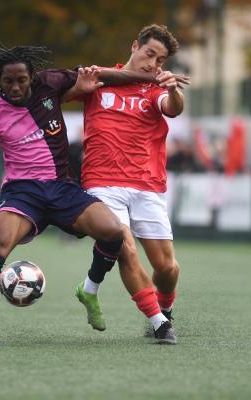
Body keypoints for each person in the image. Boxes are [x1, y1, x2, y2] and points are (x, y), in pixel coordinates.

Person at [0, 41, 160, 345]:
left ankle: (90, 289)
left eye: (21, 80)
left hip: (61, 188)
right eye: (8, 81)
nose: (15, 87)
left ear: (32, 77)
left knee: (113, 232)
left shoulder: (52, 83)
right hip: (21, 193)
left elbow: (102, 76)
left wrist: (152, 79)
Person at [69, 25, 185, 344]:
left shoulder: (155, 88)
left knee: (168, 268)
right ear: (135, 46)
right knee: (125, 248)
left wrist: (174, 89)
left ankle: (165, 308)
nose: (153, 64)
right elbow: (67, 87)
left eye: (160, 60)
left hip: (147, 184)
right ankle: (160, 323)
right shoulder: (100, 79)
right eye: (149, 54)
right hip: (102, 182)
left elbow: (172, 109)